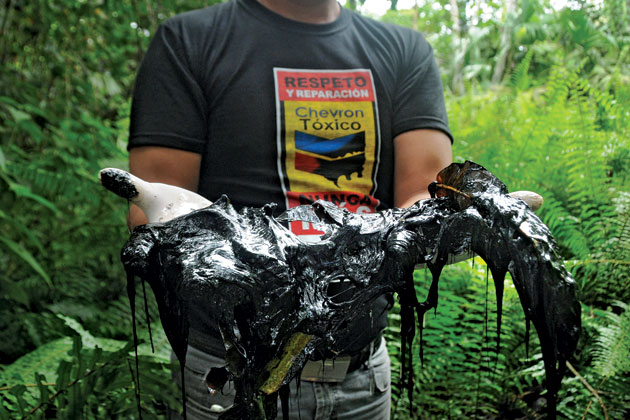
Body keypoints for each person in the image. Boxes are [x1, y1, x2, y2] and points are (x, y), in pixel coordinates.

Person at [126, 0, 452, 418]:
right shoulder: (189, 41)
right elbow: (153, 208)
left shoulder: (403, 50)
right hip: (230, 376)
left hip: (362, 376)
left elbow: (426, 193)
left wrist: (454, 220)